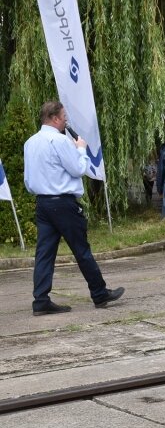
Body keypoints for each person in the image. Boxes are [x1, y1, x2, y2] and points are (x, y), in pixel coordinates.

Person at [23, 101, 125, 315]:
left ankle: (40, 300)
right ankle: (99, 293)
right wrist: (81, 150)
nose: (66, 120)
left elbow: (28, 180)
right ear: (55, 118)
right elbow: (78, 169)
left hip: (43, 203)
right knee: (82, 250)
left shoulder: (30, 143)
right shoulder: (59, 141)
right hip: (63, 203)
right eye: (64, 117)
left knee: (44, 254)